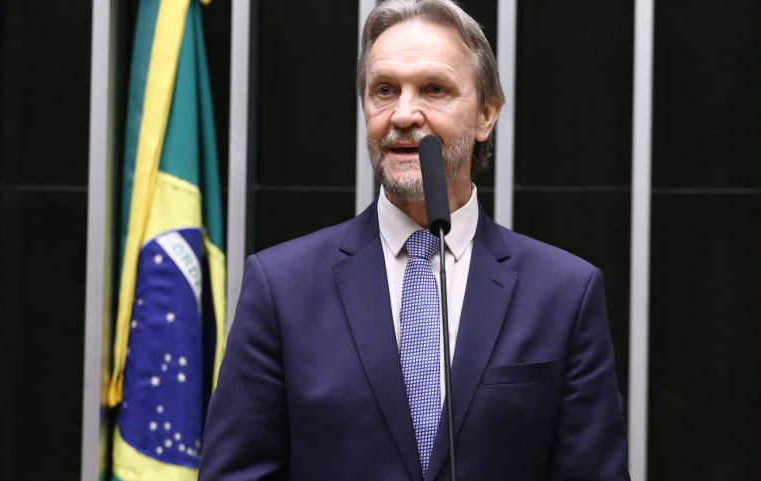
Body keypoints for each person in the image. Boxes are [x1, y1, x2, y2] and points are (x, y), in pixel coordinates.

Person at [198, 1, 629, 480]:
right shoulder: (280, 287)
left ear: (487, 114)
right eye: (385, 90)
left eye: (434, 89)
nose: (404, 114)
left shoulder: (565, 293)